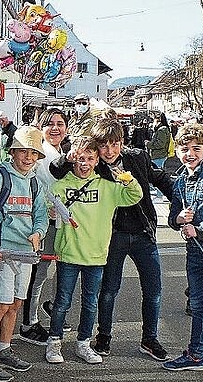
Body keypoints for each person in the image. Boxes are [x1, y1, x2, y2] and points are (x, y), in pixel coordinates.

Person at [45, 136, 143, 364]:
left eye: (90, 158)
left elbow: (134, 196)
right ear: (73, 160)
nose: (85, 163)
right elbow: (47, 206)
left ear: (97, 161)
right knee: (62, 302)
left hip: (97, 255)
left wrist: (128, 180)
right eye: (80, 158)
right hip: (68, 254)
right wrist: (51, 213)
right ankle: (54, 342)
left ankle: (84, 343)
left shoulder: (107, 187)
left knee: (90, 302)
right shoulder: (61, 185)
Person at [0, 126, 48, 382]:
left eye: (33, 153)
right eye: (23, 151)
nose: (28, 157)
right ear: (13, 151)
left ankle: (4, 349)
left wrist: (38, 234)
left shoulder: (35, 183)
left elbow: (41, 217)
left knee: (15, 305)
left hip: (25, 255)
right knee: (0, 305)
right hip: (1, 254)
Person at [164, 123, 203, 371]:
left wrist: (200, 228)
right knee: (198, 306)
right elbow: (172, 217)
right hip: (195, 253)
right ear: (178, 152)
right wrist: (178, 219)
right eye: (185, 149)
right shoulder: (179, 182)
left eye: (197, 148)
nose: (191, 154)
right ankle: (196, 356)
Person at [20, 108, 69, 345]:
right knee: (38, 274)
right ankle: (29, 323)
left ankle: (51, 307)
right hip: (42, 224)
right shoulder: (40, 155)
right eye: (50, 124)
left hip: (58, 223)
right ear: (40, 128)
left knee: (54, 271)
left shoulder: (60, 151)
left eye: (60, 123)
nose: (56, 128)